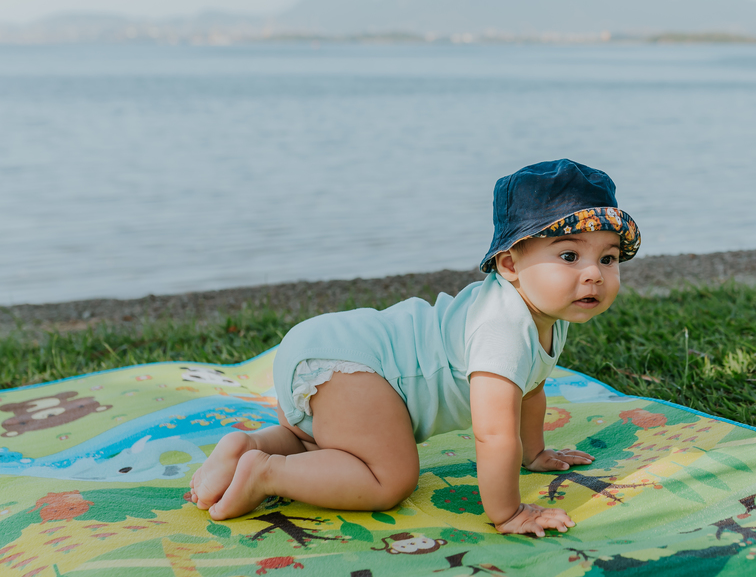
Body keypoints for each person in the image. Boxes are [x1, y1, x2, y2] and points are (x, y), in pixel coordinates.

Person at [186, 158, 640, 535]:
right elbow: (493, 433)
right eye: (569, 256)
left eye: (608, 258)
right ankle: (265, 473)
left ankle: (248, 448)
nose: (593, 274)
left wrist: (534, 453)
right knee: (389, 478)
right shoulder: (501, 329)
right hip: (353, 369)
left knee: (319, 441)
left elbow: (531, 390)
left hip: (328, 356)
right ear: (509, 263)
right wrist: (510, 511)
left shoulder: (543, 314)